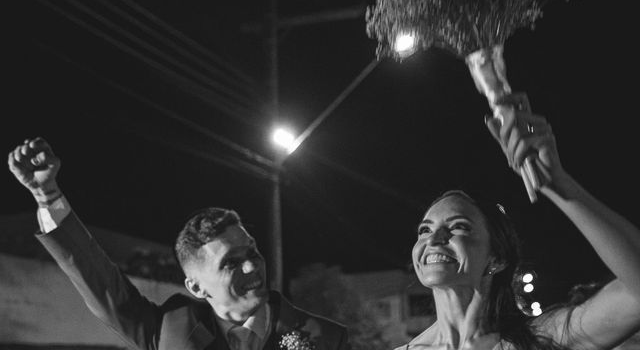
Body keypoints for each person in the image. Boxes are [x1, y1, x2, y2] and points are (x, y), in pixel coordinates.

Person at [7, 138, 350, 350]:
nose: (252, 266)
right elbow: (102, 285)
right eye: (230, 262)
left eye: (252, 252)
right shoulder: (170, 330)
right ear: (196, 287)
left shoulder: (326, 340)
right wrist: (47, 195)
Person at [398, 93, 640, 350]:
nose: (433, 239)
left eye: (458, 226)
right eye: (424, 230)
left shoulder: (544, 339)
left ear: (497, 259)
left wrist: (558, 185)